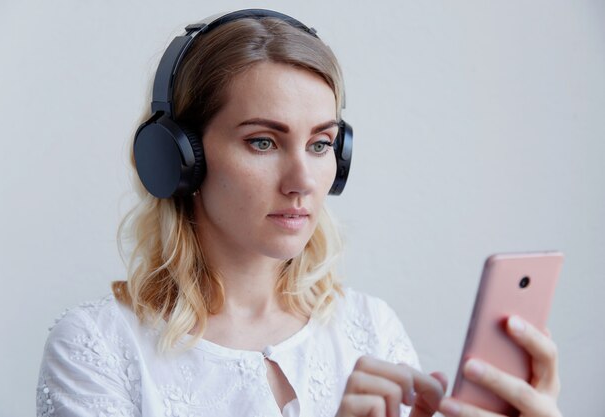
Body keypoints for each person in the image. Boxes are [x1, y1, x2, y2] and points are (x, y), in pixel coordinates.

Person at [36, 9, 563, 417]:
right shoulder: (97, 346)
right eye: (263, 142)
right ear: (179, 159)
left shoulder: (370, 329)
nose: (303, 181)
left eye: (320, 144)